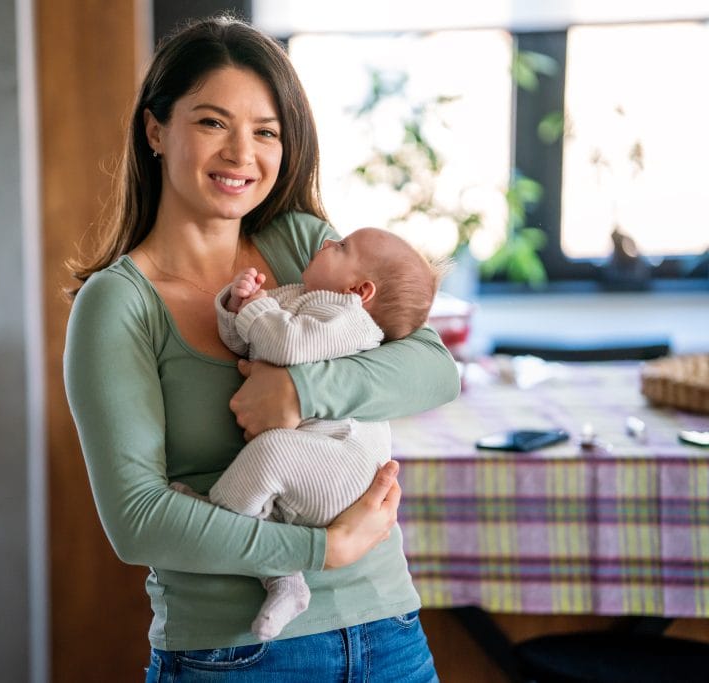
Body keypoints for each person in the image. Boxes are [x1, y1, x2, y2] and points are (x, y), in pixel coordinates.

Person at [63, 15, 460, 682]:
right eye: (213, 122)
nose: (242, 153)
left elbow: (432, 369)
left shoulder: (303, 246)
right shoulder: (117, 305)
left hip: (387, 630)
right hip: (236, 654)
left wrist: (298, 392)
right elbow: (138, 521)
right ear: (156, 129)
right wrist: (319, 549)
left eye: (266, 131)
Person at [171, 227, 446, 642]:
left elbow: (286, 345)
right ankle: (284, 581)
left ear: (361, 289)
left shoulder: (351, 320)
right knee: (273, 489)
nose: (325, 243)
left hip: (345, 467)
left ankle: (217, 515)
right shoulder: (301, 294)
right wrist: (236, 304)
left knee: (272, 452)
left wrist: (258, 312)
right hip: (316, 461)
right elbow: (245, 341)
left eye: (340, 247)